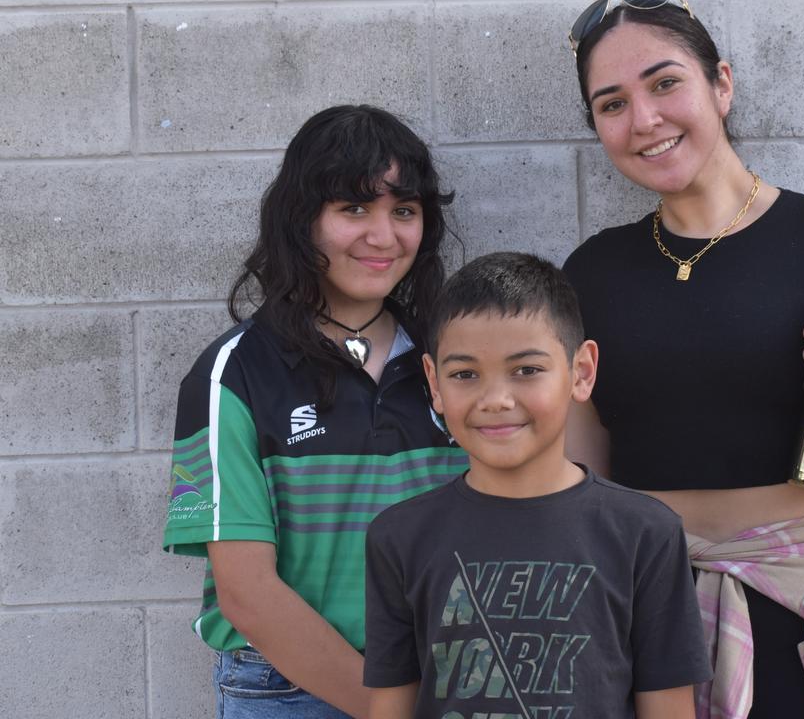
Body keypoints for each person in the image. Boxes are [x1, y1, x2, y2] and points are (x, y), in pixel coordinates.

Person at [561, 0, 804, 719]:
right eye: (612, 104)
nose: (644, 119)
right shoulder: (592, 271)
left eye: (665, 83)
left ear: (721, 85)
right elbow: (585, 482)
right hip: (645, 616)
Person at [161, 105, 468, 719]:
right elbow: (247, 595)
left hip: (444, 680)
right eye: (353, 209)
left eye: (403, 211)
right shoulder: (234, 372)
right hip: (285, 690)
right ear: (302, 220)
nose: (384, 236)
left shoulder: (455, 360)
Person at [362, 252, 712, 719]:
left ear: (582, 372)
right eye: (465, 374)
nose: (496, 400)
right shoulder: (398, 537)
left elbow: (668, 707)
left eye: (526, 370)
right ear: (434, 383)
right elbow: (391, 706)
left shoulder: (645, 532)